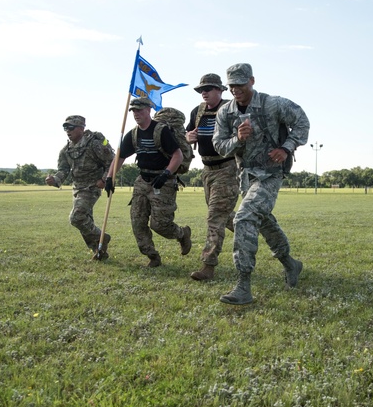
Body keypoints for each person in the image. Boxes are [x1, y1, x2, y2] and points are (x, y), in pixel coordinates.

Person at [212, 63, 310, 305]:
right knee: (263, 221)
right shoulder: (226, 113)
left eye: (240, 84)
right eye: (232, 86)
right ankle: (291, 264)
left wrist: (286, 148)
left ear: (252, 81)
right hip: (246, 177)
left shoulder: (272, 104)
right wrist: (238, 138)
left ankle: (243, 284)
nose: (236, 90)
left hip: (270, 174)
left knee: (244, 217)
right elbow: (218, 145)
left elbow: (302, 122)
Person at [107, 96, 193, 267]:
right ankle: (152, 256)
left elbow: (178, 155)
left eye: (139, 110)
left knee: (160, 224)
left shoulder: (161, 131)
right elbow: (120, 157)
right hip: (142, 181)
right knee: (137, 221)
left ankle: (182, 234)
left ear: (148, 110)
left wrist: (166, 173)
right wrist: (110, 177)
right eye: (133, 110)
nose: (136, 113)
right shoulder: (133, 134)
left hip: (163, 181)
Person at [185, 73, 239, 281]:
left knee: (215, 217)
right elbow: (187, 134)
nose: (204, 93)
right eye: (201, 90)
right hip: (207, 170)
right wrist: (187, 137)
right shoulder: (197, 112)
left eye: (208, 89)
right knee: (222, 215)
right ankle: (248, 228)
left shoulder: (230, 110)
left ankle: (208, 265)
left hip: (227, 167)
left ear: (220, 90)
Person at [45, 115, 116, 260]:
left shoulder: (94, 144)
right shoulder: (66, 150)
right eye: (65, 128)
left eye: (71, 127)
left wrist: (104, 179)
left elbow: (112, 161)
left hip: (92, 187)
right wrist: (55, 179)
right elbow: (63, 169)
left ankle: (103, 237)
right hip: (77, 188)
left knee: (77, 218)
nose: (67, 131)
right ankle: (99, 251)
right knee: (85, 220)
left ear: (81, 128)